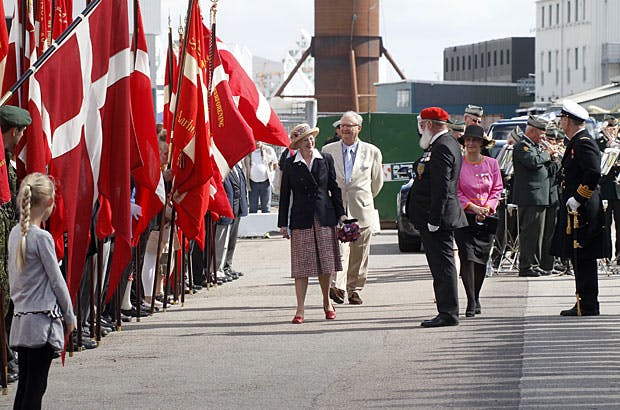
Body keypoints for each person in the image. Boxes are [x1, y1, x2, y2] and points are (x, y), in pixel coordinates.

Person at [8, 173, 76, 409]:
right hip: (41, 323)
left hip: (20, 321)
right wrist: (69, 316)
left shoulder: (15, 233)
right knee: (35, 389)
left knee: (25, 388)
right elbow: (57, 281)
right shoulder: (42, 237)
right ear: (49, 203)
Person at [278, 123, 346, 324]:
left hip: (325, 216)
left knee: (325, 265)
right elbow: (284, 196)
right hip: (301, 218)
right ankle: (300, 309)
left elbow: (334, 188)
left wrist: (341, 215)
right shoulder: (290, 164)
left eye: (311, 138)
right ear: (297, 144)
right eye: (304, 140)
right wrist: (283, 223)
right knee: (302, 266)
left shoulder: (325, 159)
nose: (309, 142)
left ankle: (327, 302)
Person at [408, 106, 467, 327]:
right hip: (434, 216)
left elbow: (442, 187)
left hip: (438, 218)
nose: (421, 129)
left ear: (430, 125)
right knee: (441, 265)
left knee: (443, 266)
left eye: (423, 125)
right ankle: (446, 310)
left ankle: (448, 313)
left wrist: (434, 218)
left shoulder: (443, 146)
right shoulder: (440, 144)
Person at [551, 100, 610, 316]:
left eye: (562, 119)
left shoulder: (583, 142)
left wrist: (578, 197)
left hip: (583, 208)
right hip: (578, 208)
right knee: (580, 256)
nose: (560, 123)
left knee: (584, 255)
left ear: (568, 120)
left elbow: (593, 172)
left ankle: (587, 304)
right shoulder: (576, 141)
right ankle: (584, 302)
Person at [322, 111, 383, 305]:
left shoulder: (372, 151)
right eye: (343, 126)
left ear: (359, 128)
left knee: (360, 251)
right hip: (337, 209)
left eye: (350, 126)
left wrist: (363, 199)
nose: (346, 129)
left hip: (361, 207)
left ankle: (354, 289)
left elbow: (377, 182)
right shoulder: (327, 150)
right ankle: (337, 286)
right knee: (338, 249)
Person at [455, 125, 503, 317]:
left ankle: (477, 295)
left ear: (482, 144)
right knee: (467, 257)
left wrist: (488, 207)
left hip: (486, 216)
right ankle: (470, 300)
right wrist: (472, 207)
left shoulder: (492, 164)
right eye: (467, 140)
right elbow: (456, 191)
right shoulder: (459, 164)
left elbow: (497, 188)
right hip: (465, 217)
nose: (471, 144)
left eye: (475, 140)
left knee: (481, 260)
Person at [0, 105, 32, 385]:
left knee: (7, 304)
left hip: (7, 243)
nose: (22, 136)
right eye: (21, 131)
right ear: (13, 130)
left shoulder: (7, 159)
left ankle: (7, 357)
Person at [512, 115, 552, 277]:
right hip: (530, 196)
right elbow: (533, 162)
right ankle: (526, 266)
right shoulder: (523, 146)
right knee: (529, 233)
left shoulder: (534, 146)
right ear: (533, 131)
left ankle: (534, 264)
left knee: (537, 234)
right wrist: (547, 153)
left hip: (539, 196)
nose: (543, 137)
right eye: (541, 133)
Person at [596, 115, 620, 263]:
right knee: (604, 224)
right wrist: (608, 147)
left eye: (615, 127)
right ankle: (605, 254)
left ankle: (619, 255)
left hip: (618, 189)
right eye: (609, 127)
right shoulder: (598, 143)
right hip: (605, 187)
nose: (612, 130)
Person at [243, 141, 277, 213]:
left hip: (266, 182)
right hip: (252, 183)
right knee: (252, 208)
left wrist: (271, 175)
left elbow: (275, 164)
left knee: (266, 208)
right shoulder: (247, 151)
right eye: (255, 139)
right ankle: (253, 223)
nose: (257, 141)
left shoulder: (269, 150)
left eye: (259, 139)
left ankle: (266, 223)